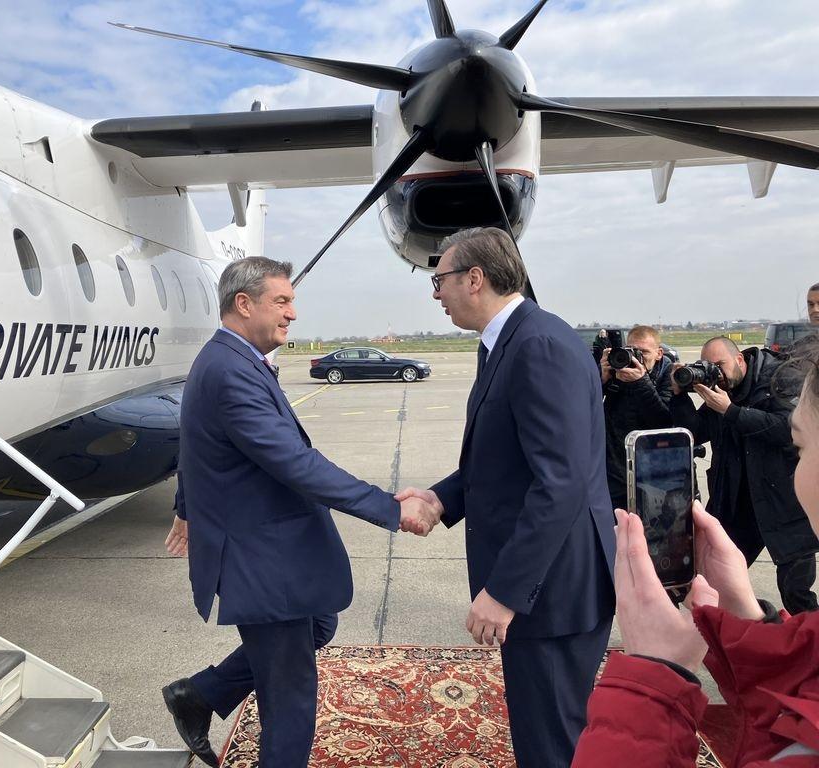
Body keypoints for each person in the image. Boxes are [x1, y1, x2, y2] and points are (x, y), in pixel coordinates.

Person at [160, 257, 437, 768]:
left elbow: (195, 444)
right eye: (282, 301)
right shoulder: (229, 370)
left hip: (265, 548)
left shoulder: (230, 359)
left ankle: (201, 693)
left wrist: (185, 507)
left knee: (319, 624)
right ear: (244, 304)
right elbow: (293, 461)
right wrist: (388, 508)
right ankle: (206, 699)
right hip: (263, 557)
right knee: (290, 700)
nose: (293, 314)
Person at [397, 228, 616, 768]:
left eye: (439, 279)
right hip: (549, 582)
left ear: (475, 279)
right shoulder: (506, 342)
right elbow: (502, 464)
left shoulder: (537, 345)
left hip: (554, 589)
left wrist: (506, 593)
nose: (435, 293)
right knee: (545, 730)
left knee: (551, 744)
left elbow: (559, 483)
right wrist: (441, 499)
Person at [573, 339, 819, 766]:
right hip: (735, 505)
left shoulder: (775, 387)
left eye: (802, 448)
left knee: (796, 587)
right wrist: (749, 617)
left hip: (774, 510)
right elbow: (792, 707)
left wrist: (652, 675)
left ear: (741, 359)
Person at [669, 336, 819, 613]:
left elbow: (788, 430)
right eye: (708, 366)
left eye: (719, 364)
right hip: (738, 505)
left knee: (796, 593)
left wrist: (731, 411)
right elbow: (695, 432)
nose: (715, 372)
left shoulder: (778, 379)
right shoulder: (724, 389)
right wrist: (679, 397)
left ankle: (810, 649)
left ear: (739, 360)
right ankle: (732, 643)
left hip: (782, 505)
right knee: (715, 583)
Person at [600, 324, 674, 509]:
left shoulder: (668, 374)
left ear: (659, 354)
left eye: (643, 353)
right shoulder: (615, 370)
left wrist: (641, 382)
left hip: (654, 475)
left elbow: (663, 420)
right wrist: (600, 379)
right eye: (632, 351)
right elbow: (585, 408)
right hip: (614, 471)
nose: (635, 358)